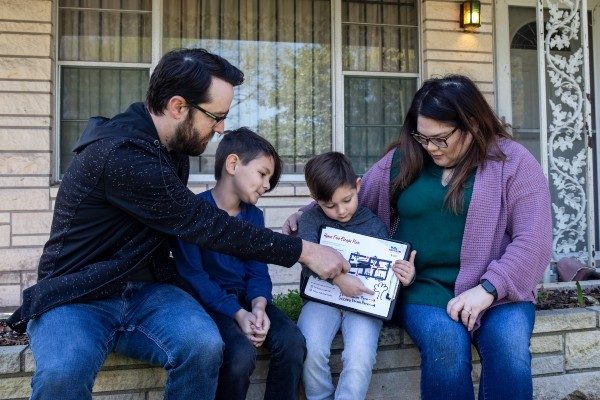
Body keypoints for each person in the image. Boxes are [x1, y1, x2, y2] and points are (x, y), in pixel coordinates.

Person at [7, 48, 348, 400]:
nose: (221, 128)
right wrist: (304, 251)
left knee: (203, 346)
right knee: (63, 374)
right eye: (216, 116)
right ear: (178, 107)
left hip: (148, 292)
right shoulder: (121, 156)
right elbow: (207, 225)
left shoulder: (170, 152)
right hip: (79, 294)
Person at [285, 75, 552, 400]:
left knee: (509, 351)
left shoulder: (512, 162)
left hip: (496, 289)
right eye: (423, 137)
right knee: (445, 346)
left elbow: (534, 240)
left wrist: (487, 290)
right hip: (422, 287)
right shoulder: (403, 159)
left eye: (440, 139)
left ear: (471, 124)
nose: (429, 147)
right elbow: (349, 195)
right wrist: (305, 213)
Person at [171, 127, 306, 400]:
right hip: (210, 305)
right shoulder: (194, 212)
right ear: (233, 164)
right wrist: (237, 313)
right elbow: (194, 276)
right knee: (240, 356)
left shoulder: (253, 215)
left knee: (292, 343)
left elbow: (257, 269)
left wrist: (258, 307)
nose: (267, 185)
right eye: (262, 173)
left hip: (246, 299)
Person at [296, 152, 416, 400]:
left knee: (360, 355)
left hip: (363, 306)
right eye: (329, 205)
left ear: (358, 185)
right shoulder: (309, 219)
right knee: (310, 348)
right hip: (321, 300)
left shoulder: (374, 224)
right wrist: (339, 280)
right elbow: (306, 260)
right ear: (315, 200)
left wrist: (406, 276)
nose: (340, 210)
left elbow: (386, 276)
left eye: (347, 200)